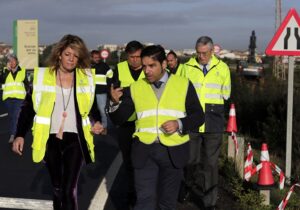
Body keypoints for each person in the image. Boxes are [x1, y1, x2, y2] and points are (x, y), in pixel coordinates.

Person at [12, 34, 104, 210]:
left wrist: (97, 122)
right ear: (59, 53)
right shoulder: (42, 76)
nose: (71, 59)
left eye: (76, 55)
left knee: (69, 189)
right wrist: (19, 135)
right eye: (68, 54)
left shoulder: (86, 77)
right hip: (49, 138)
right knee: (57, 187)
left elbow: (92, 107)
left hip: (76, 139)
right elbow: (28, 108)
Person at [108, 45, 204, 210]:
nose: (147, 71)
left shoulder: (183, 84)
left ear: (164, 64)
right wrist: (114, 103)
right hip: (144, 151)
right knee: (144, 202)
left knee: (167, 203)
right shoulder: (136, 87)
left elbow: (198, 116)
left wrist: (179, 123)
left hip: (173, 151)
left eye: (152, 66)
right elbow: (119, 118)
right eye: (144, 66)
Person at [182, 36, 231, 210]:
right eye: (198, 53)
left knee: (210, 164)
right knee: (190, 160)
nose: (201, 56)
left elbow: (226, 94)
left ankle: (209, 202)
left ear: (212, 51)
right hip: (192, 120)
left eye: (204, 53)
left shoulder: (223, 68)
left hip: (213, 121)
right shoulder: (186, 68)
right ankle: (187, 186)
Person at [110, 40, 144, 207]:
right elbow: (114, 92)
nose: (135, 60)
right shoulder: (120, 68)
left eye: (138, 56)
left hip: (145, 123)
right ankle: (131, 192)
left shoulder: (149, 67)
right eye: (132, 57)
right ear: (127, 56)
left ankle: (143, 192)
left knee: (143, 161)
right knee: (128, 161)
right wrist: (113, 98)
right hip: (125, 123)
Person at [0, 54, 29, 143]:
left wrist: (28, 96)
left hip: (19, 99)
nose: (12, 62)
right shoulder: (5, 71)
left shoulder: (22, 71)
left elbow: (26, 84)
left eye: (13, 60)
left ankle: (13, 135)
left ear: (17, 61)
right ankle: (16, 132)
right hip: (8, 99)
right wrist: (7, 71)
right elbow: (2, 80)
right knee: (12, 117)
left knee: (16, 116)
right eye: (10, 61)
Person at [91, 50, 113, 135]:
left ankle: (104, 128)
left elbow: (110, 75)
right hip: (91, 92)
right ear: (91, 58)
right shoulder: (88, 67)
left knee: (102, 110)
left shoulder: (104, 66)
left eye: (98, 57)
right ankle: (94, 127)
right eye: (95, 57)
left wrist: (107, 86)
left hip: (101, 92)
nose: (97, 59)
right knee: (92, 110)